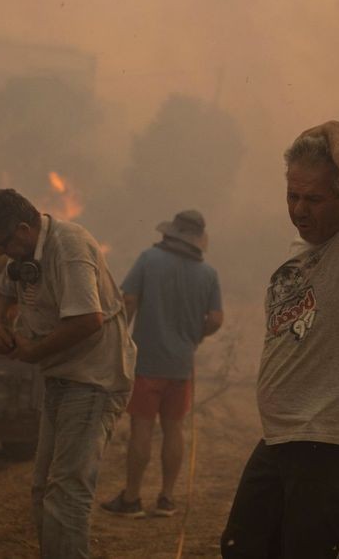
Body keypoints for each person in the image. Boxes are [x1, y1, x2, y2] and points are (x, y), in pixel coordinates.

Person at [220, 121, 339, 558]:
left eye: (314, 198)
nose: (299, 209)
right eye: (292, 196)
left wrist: (328, 128)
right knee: (240, 548)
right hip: (281, 438)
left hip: (338, 442)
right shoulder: (299, 261)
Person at [0, 188, 135, 559]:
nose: (1, 255)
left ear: (25, 230)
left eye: (1, 246)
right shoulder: (23, 252)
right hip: (61, 377)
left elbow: (88, 320)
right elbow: (5, 293)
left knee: (67, 492)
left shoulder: (69, 246)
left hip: (94, 380)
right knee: (43, 489)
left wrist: (32, 352)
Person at [101, 210, 224, 518]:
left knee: (141, 427)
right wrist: (194, 336)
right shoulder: (208, 273)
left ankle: (131, 499)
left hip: (147, 363)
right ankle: (166, 499)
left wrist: (122, 342)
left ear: (171, 233)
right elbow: (215, 319)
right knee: (174, 429)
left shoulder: (149, 259)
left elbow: (127, 300)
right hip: (181, 366)